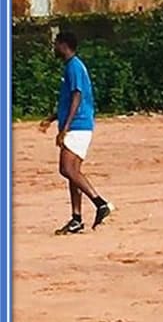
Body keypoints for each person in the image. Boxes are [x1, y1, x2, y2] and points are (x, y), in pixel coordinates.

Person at [39, 31, 114, 234]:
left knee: (66, 169)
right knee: (74, 173)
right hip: (78, 125)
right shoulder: (71, 66)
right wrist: (52, 118)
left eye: (56, 44)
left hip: (78, 126)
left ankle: (100, 203)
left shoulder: (74, 66)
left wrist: (64, 129)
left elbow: (77, 97)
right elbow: (66, 102)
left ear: (64, 45)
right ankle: (76, 218)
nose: (54, 48)